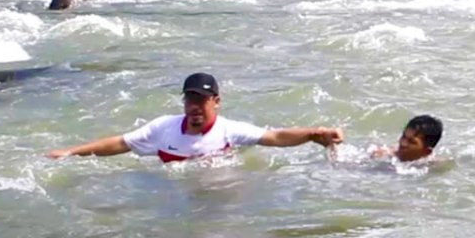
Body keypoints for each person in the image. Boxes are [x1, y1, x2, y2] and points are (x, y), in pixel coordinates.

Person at [46, 73, 343, 161]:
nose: (194, 107)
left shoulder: (230, 130)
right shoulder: (163, 127)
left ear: (216, 101)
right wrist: (71, 152)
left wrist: (314, 134)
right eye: (190, 99)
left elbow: (275, 137)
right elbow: (120, 144)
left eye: (201, 101)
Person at [370, 115, 475, 171]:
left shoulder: (432, 164)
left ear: (427, 151)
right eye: (404, 137)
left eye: (411, 141)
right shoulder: (384, 154)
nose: (403, 144)